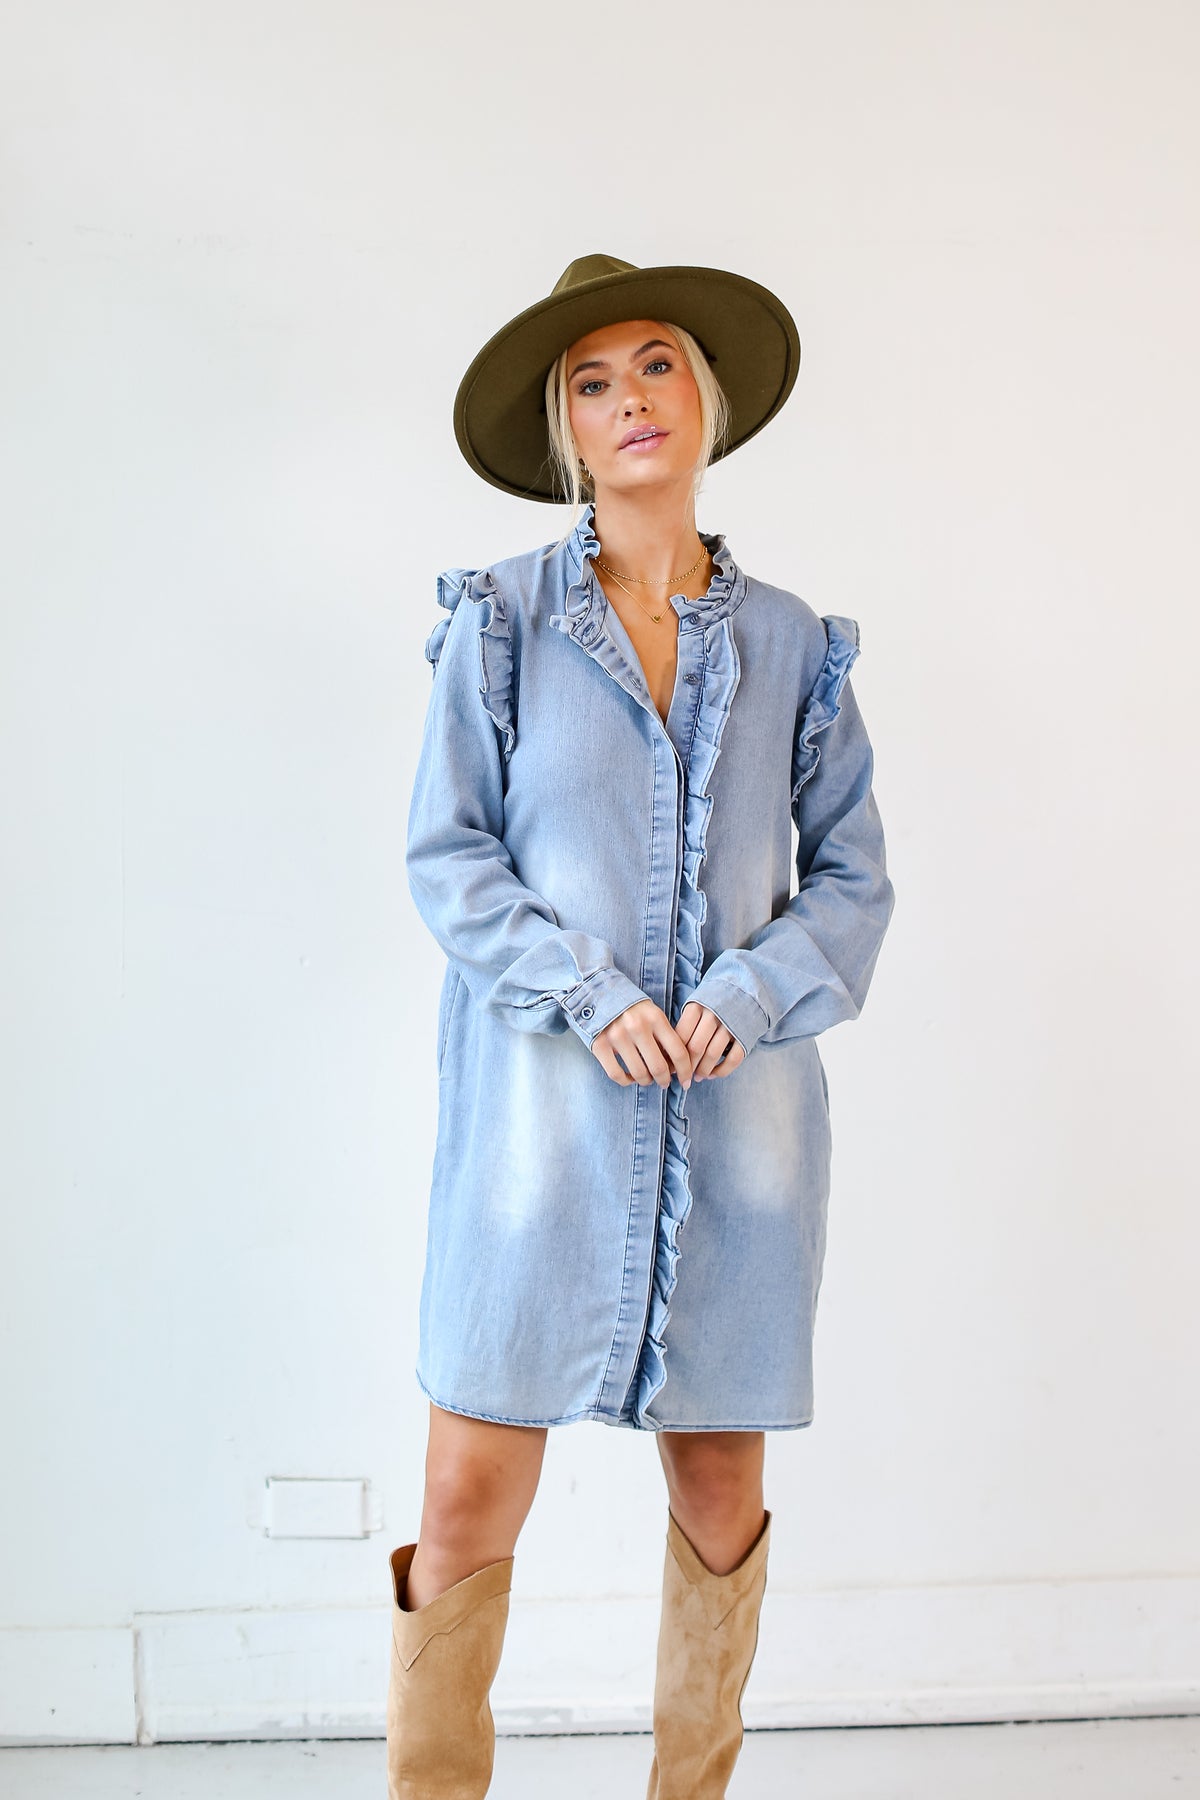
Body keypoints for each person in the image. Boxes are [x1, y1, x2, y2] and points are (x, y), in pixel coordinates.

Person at [385, 252, 896, 1799]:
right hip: (534, 1143)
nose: (630, 401)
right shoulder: (500, 623)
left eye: (656, 365)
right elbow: (449, 857)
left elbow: (854, 878)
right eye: (592, 383)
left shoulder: (795, 645)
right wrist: (587, 989)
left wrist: (747, 990)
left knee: (722, 1489)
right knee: (466, 1489)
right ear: (566, 428)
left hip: (740, 1144)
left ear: (706, 397)